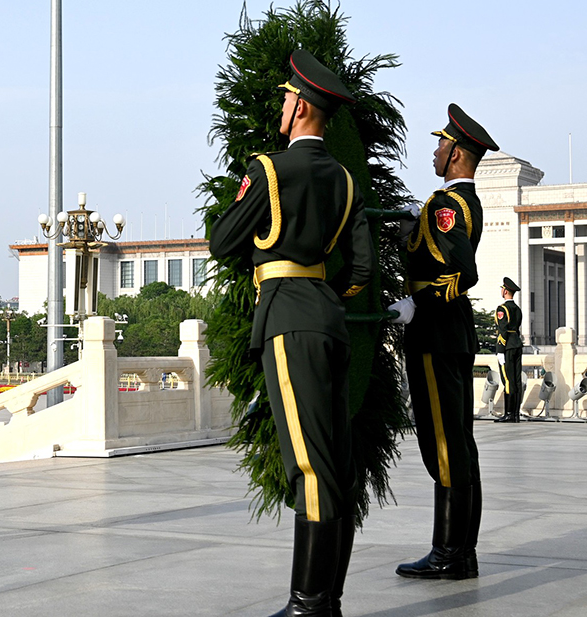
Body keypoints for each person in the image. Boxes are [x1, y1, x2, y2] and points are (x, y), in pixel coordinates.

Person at [209, 50, 375, 616]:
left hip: (287, 320)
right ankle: (327, 600)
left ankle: (308, 606)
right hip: (329, 320)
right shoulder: (346, 181)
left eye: (285, 98)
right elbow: (360, 270)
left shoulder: (271, 168)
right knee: (335, 464)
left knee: (309, 465)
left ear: (301, 106)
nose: (281, 106)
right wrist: (324, 295)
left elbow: (223, 240)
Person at [388, 103, 498, 580]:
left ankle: (448, 554)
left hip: (435, 332)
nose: (434, 150)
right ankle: (460, 552)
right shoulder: (457, 204)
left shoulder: (447, 205)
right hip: (452, 333)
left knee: (444, 448)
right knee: (457, 443)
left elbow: (460, 271)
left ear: (456, 153)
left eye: (440, 143)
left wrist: (419, 304)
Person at [495, 277, 523, 423]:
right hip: (517, 344)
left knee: (507, 380)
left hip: (507, 347)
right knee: (517, 380)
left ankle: (509, 414)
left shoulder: (502, 309)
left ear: (505, 291)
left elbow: (503, 330)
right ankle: (516, 414)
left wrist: (500, 350)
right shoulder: (517, 309)